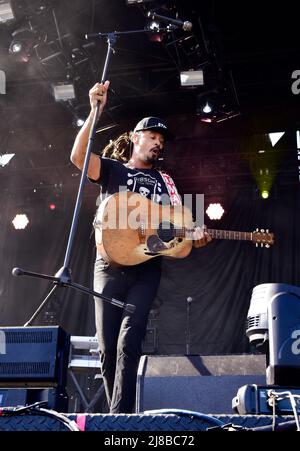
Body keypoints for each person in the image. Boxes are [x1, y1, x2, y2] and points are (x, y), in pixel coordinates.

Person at [70, 81, 211, 413]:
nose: (158, 144)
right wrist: (94, 110)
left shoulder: (167, 182)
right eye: (153, 137)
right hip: (109, 266)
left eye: (162, 141)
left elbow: (179, 226)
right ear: (135, 137)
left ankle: (121, 419)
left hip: (146, 268)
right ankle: (118, 417)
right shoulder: (113, 169)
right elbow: (77, 157)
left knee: (129, 341)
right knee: (106, 347)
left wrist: (196, 234)